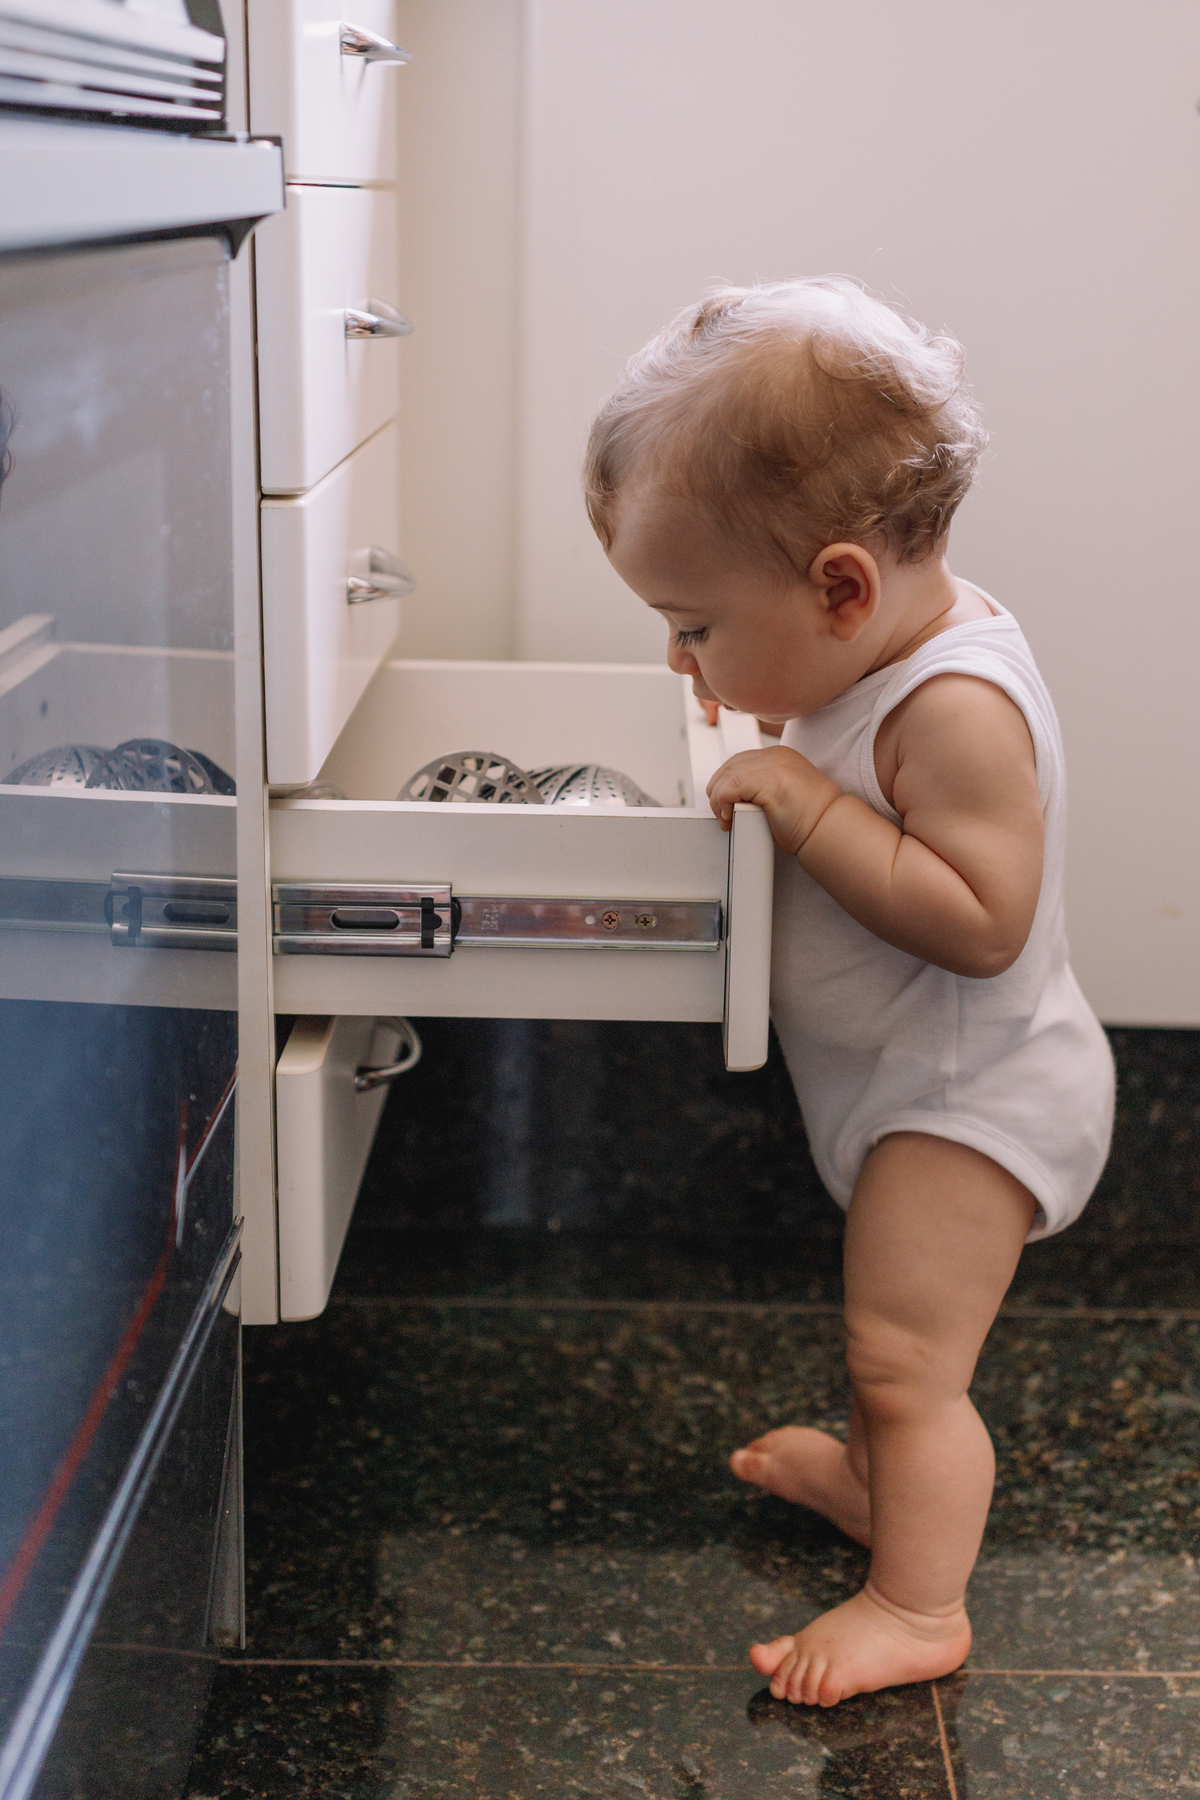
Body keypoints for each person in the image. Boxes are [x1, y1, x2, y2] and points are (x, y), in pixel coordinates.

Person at [583, 278, 1114, 1708]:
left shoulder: (954, 704)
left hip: (975, 1099)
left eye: (695, 625)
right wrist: (763, 708)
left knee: (907, 1357)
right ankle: (882, 1483)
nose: (681, 658)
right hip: (902, 1088)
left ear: (838, 588)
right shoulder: (875, 644)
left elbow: (987, 920)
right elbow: (822, 699)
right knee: (889, 1343)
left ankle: (916, 1600)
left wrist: (807, 809)